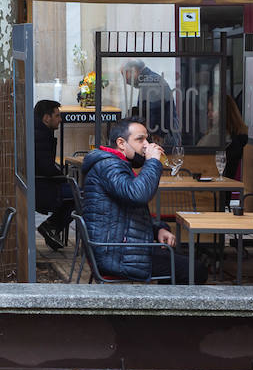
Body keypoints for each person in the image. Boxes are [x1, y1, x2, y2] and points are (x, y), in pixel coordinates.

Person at [79, 117, 207, 284]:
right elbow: (138, 194)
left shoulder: (115, 164)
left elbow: (128, 211)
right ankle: (164, 307)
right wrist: (153, 161)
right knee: (194, 270)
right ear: (121, 143)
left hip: (119, 249)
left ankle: (163, 305)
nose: (146, 145)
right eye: (140, 139)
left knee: (182, 261)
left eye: (147, 138)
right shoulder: (109, 166)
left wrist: (157, 230)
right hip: (117, 255)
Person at [33, 100, 74, 251]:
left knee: (75, 193)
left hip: (41, 185)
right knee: (80, 196)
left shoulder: (39, 132)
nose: (60, 119)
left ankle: (51, 227)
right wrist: (65, 179)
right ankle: (51, 226)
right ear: (46, 118)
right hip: (42, 188)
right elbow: (46, 168)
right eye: (57, 116)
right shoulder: (41, 136)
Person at [120, 59, 176, 139]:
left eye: (124, 74)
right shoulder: (151, 80)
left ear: (133, 70)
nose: (125, 81)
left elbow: (153, 114)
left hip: (160, 138)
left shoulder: (150, 82)